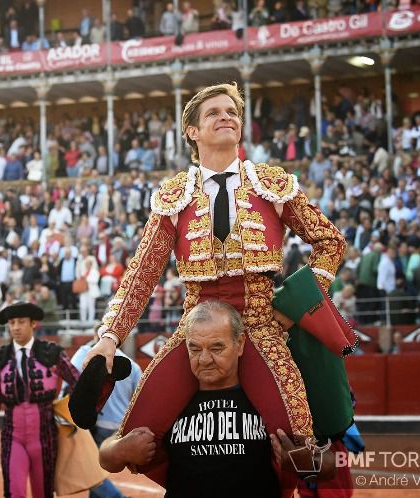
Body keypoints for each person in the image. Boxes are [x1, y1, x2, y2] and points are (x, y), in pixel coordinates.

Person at [84, 83, 346, 484]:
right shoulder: (174, 197)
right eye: (214, 113)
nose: (227, 117)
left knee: (296, 445)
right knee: (135, 437)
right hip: (197, 329)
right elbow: (141, 274)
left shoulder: (272, 184)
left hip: (262, 325)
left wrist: (293, 307)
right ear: (192, 131)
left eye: (232, 112)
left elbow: (330, 242)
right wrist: (109, 337)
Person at [99, 301, 337, 497]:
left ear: (240, 343)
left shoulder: (269, 396)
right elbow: (107, 455)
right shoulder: (171, 400)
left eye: (216, 348)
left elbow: (330, 465)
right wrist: (121, 449)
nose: (204, 359)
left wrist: (304, 461)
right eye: (195, 348)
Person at [0, 302, 80, 498]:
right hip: (12, 437)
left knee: (43, 494)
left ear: (33, 323)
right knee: (14, 492)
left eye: (21, 322)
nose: (16, 327)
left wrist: (76, 412)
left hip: (45, 437)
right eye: (11, 323)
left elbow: (78, 382)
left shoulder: (51, 353)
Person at [70, 335, 141, 498]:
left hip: (95, 426)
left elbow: (70, 381)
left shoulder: (85, 353)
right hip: (119, 429)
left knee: (88, 472)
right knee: (94, 472)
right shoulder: (133, 366)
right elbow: (139, 399)